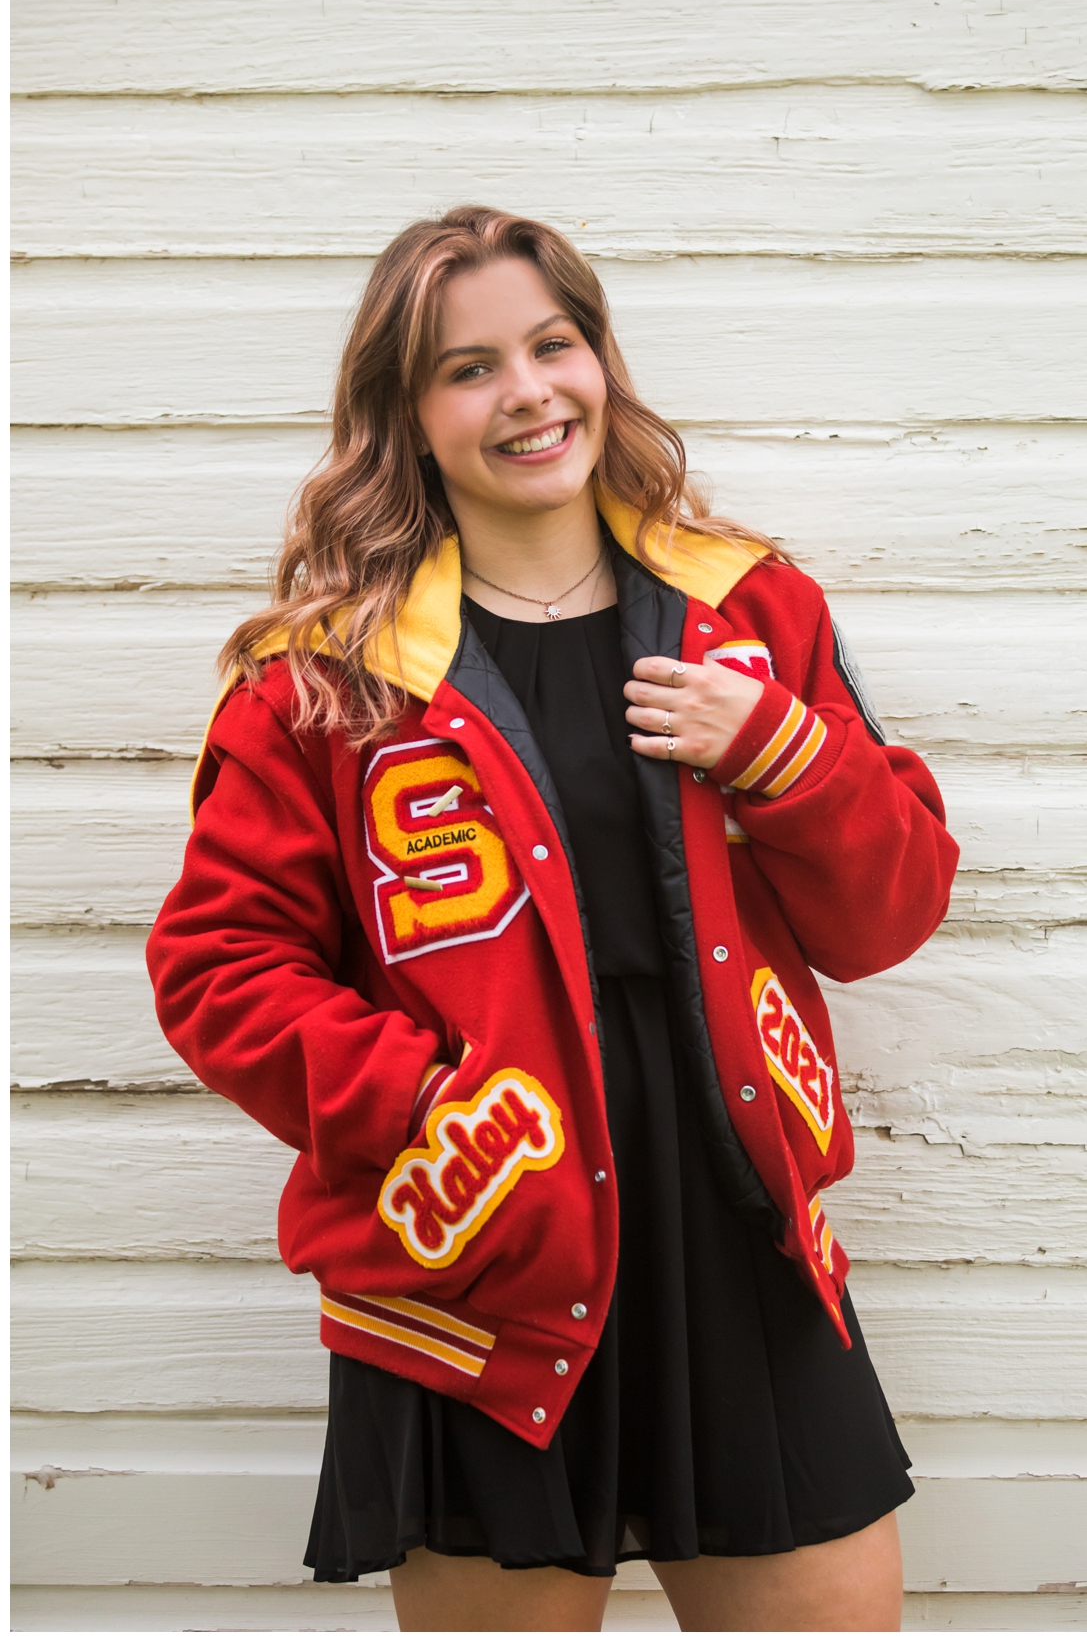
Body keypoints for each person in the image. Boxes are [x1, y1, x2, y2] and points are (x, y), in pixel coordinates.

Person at [148, 207, 960, 1631]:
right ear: (403, 415)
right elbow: (219, 969)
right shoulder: (321, 682)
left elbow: (892, 905)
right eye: (468, 368)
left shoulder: (747, 609)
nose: (525, 391)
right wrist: (420, 1100)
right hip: (477, 1246)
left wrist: (776, 748)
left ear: (600, 359)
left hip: (733, 1222)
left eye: (551, 344)